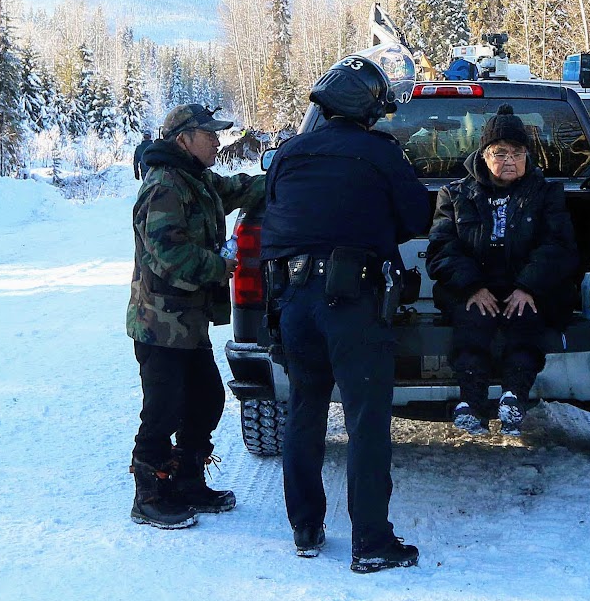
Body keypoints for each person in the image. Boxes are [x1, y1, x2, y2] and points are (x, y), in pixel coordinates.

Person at [261, 45, 429, 573]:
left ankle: (306, 529)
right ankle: (371, 543)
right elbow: (417, 217)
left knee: (305, 413)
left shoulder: (289, 153)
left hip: (293, 303)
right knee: (366, 422)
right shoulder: (381, 154)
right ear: (369, 110)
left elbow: (274, 218)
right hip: (352, 302)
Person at [127, 104, 265, 529]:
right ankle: (149, 493)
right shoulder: (166, 186)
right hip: (160, 323)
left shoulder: (196, 178)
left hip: (189, 322)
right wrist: (218, 267)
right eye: (209, 135)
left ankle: (186, 482)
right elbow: (168, 255)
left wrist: (284, 175)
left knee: (205, 400)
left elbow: (235, 190)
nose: (217, 141)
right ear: (183, 139)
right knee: (163, 409)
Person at [426, 104, 579, 436]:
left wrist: (527, 286)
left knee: (525, 318)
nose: (510, 159)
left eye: (518, 152)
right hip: (474, 285)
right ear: (484, 155)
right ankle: (472, 401)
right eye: (500, 152)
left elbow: (558, 246)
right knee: (472, 320)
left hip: (526, 285)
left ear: (527, 155)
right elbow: (442, 249)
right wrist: (471, 287)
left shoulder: (546, 193)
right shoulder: (455, 194)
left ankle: (515, 397)